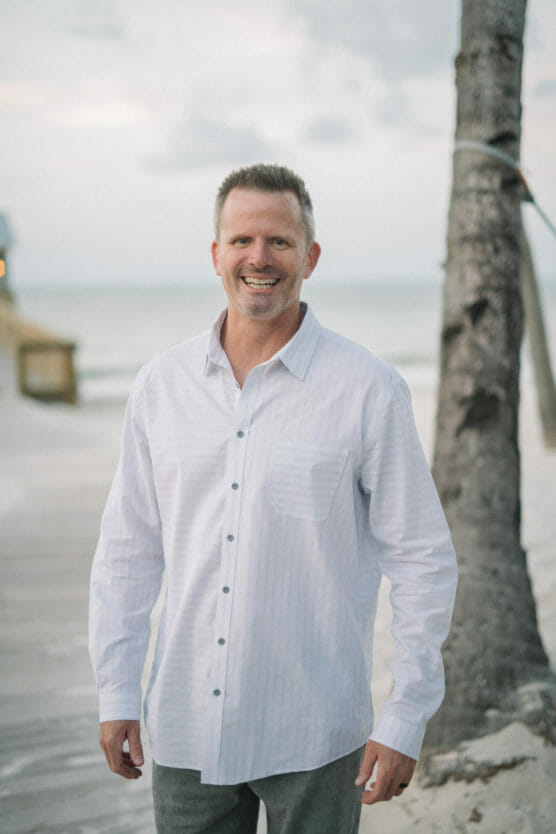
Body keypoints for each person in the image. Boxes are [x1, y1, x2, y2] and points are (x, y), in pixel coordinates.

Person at [89, 163, 457, 833]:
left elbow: (422, 561)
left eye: (280, 242)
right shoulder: (159, 387)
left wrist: (406, 717)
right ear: (216, 255)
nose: (259, 258)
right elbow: (127, 551)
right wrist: (117, 690)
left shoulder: (368, 390)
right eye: (241, 240)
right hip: (183, 725)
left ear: (310, 258)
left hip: (315, 731)